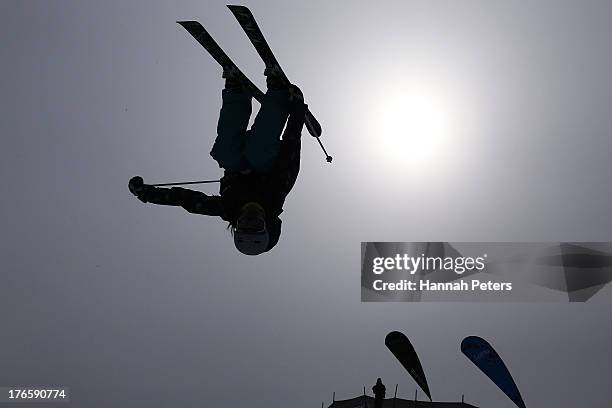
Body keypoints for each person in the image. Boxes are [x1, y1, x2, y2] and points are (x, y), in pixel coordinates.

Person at [128, 69, 306, 255]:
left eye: (245, 223)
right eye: (256, 223)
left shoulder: (229, 208)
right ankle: (277, 92)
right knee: (258, 153)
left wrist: (147, 193)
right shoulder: (276, 193)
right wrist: (297, 111)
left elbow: (186, 200)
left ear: (237, 224)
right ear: (266, 224)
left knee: (225, 153)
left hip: (238, 159)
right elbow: (290, 147)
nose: (250, 216)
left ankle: (236, 92)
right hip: (264, 152)